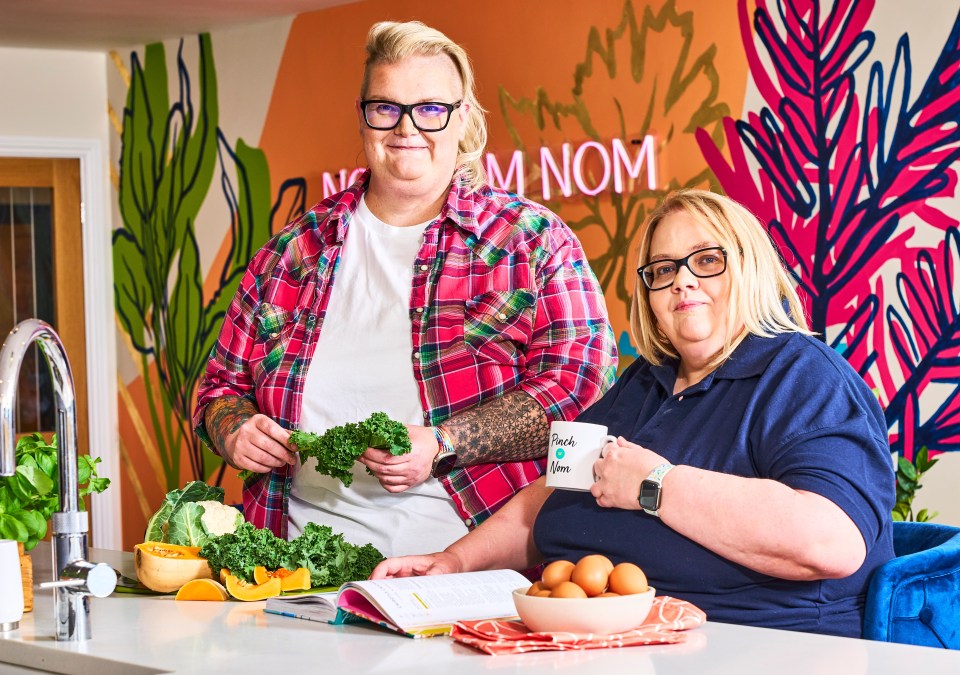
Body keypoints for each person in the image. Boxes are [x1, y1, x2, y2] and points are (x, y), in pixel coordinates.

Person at [371, 189, 895, 638]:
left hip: (757, 646)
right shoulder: (645, 382)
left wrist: (655, 485)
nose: (682, 282)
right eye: (663, 270)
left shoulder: (802, 375)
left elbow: (830, 541)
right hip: (617, 645)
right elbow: (545, 500)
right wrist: (454, 561)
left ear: (749, 264)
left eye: (706, 260)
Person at [193, 21, 616, 557]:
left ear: (461, 118)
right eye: (386, 107)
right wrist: (233, 429)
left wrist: (444, 443)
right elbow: (220, 387)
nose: (407, 128)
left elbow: (581, 389)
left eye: (431, 108)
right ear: (364, 116)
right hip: (296, 574)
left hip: (471, 572)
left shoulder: (531, 242)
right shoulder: (291, 254)